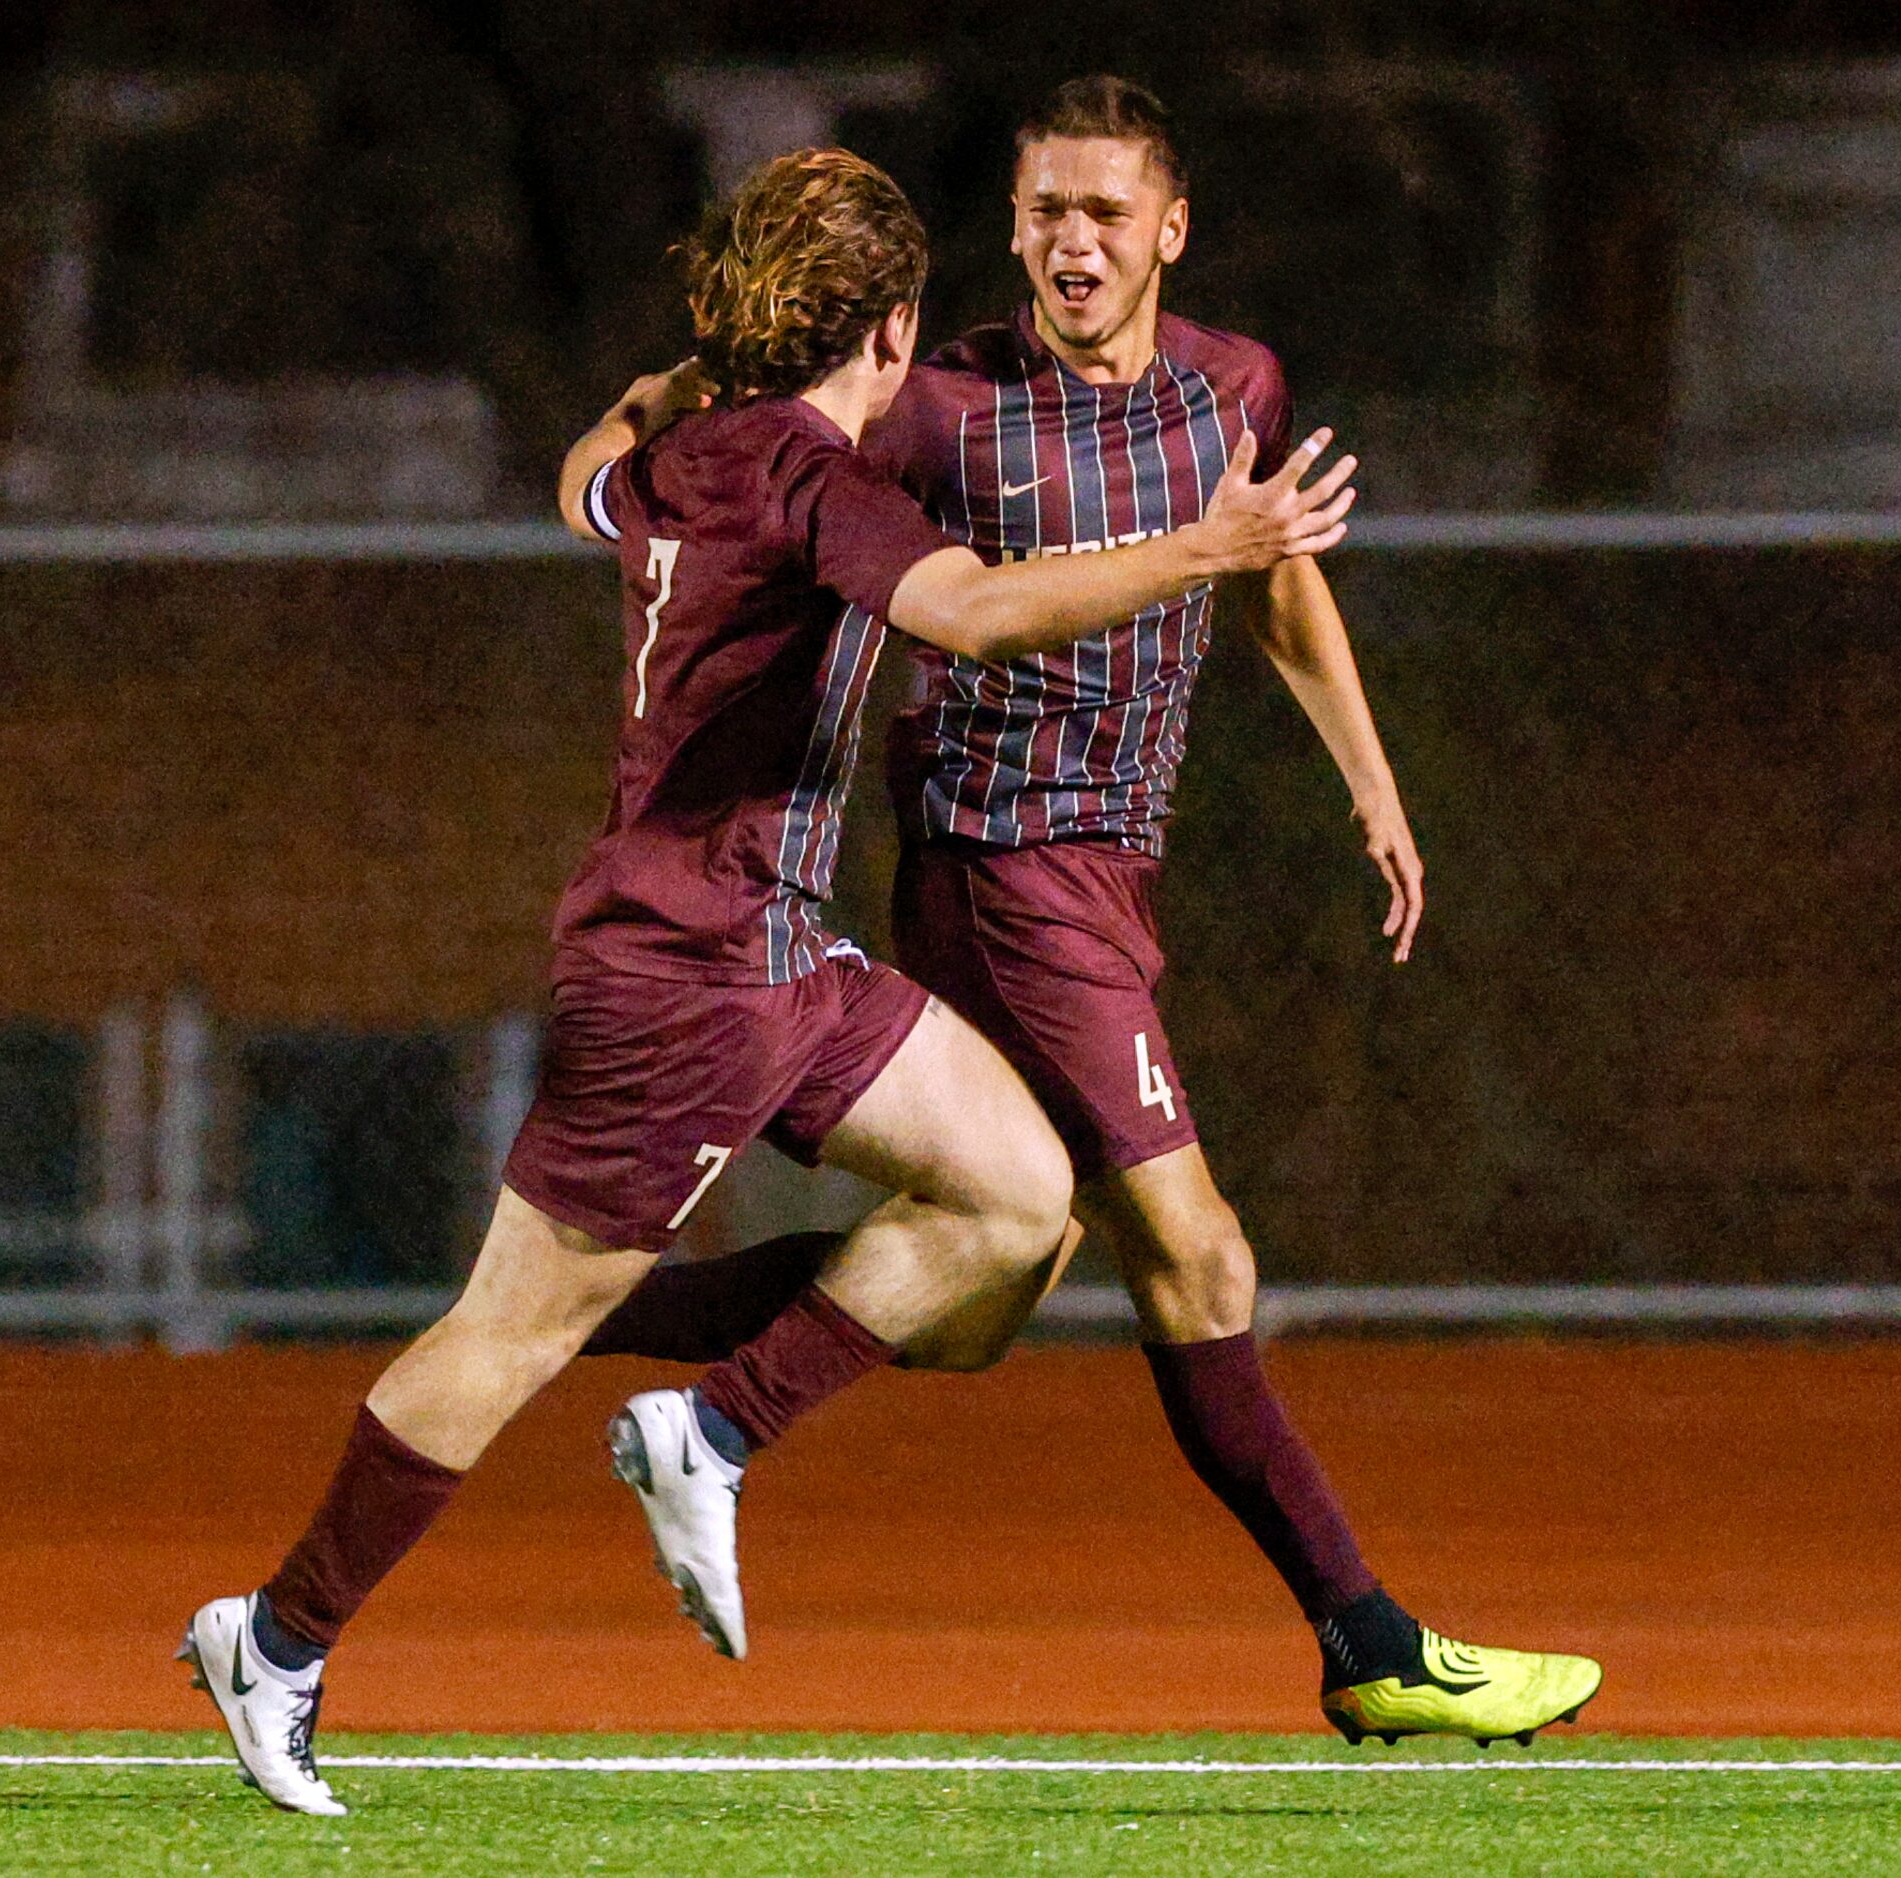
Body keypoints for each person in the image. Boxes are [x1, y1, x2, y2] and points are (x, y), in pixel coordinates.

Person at [176, 144, 1358, 1815]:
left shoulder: (683, 456)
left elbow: (580, 477)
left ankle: (711, 1430)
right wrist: (1204, 548)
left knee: (1020, 1196)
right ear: (883, 329)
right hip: (680, 975)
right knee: (508, 1332)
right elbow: (976, 612)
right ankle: (279, 1638)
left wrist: (641, 390)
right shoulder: (812, 484)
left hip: (785, 951)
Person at [582, 80, 1600, 1750]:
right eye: (1047, 208)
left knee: (986, 1287)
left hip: (1117, 873)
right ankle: (1370, 1640)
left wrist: (1372, 775)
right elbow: (713, 413)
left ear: (1168, 231)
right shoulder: (943, 405)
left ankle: (576, 1305)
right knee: (1199, 1255)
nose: (1073, 239)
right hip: (1000, 867)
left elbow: (1265, 563)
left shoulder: (1233, 385)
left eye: (1106, 212)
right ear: (1012, 226)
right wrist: (620, 446)